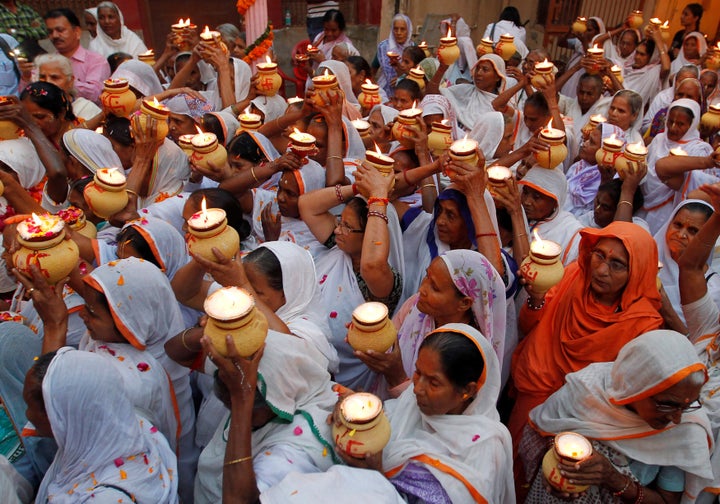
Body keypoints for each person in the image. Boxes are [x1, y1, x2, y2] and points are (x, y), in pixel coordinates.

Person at [263, 324, 515, 504]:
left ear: (467, 390)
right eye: (417, 373)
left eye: (434, 383)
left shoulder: (485, 446)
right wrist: (357, 413)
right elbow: (385, 417)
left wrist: (378, 475)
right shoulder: (412, 403)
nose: (417, 388)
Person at [509, 222, 664, 461]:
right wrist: (537, 299)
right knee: (514, 460)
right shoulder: (573, 276)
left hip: (582, 415)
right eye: (599, 256)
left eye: (617, 265)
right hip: (535, 389)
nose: (601, 270)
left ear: (637, 271)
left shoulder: (644, 323)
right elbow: (528, 326)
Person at [520, 330, 713, 503]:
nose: (677, 418)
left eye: (687, 406)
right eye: (667, 404)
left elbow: (668, 501)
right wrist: (559, 466)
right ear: (637, 386)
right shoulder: (587, 390)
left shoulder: (687, 430)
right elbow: (546, 431)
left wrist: (614, 480)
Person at [193, 326, 338, 503]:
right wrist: (214, 331)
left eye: (241, 406)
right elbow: (175, 351)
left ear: (278, 399)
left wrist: (241, 400)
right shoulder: (253, 400)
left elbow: (237, 501)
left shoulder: (292, 452)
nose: (234, 413)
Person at [25, 348, 179, 503]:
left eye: (29, 406)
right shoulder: (132, 427)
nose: (27, 416)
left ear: (61, 416)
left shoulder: (106, 499)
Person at [299, 165, 404, 390]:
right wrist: (358, 188)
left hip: (351, 385)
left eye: (347, 227)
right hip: (306, 362)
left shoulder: (381, 280)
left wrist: (378, 197)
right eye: (339, 223)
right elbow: (306, 205)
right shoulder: (339, 248)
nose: (338, 230)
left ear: (370, 235)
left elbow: (372, 264)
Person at [363, 249, 507, 398]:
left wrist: (397, 376)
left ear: (464, 303)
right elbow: (389, 340)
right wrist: (370, 335)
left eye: (435, 287)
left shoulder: (469, 352)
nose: (422, 289)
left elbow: (444, 409)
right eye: (427, 276)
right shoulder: (415, 306)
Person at [641, 98, 715, 234]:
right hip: (644, 203)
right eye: (670, 121)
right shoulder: (658, 139)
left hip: (670, 206)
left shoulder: (700, 150)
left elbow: (698, 185)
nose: (673, 127)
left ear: (692, 125)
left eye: (680, 124)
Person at [655, 199, 717, 326]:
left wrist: (668, 312)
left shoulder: (712, 288)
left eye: (693, 231)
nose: (681, 235)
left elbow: (698, 342)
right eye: (678, 225)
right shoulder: (646, 259)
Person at [43, 8, 110, 103]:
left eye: (60, 30)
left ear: (77, 32)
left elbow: (96, 94)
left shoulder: (96, 61)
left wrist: (64, 81)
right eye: (50, 32)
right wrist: (26, 77)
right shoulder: (46, 63)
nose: (55, 36)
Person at [440, 54, 508, 131]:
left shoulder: (503, 104)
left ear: (497, 77)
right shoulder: (465, 90)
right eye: (478, 68)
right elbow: (435, 93)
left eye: (485, 69)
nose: (478, 73)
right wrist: (441, 69)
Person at [34, 53, 101, 121]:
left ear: (70, 81)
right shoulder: (33, 108)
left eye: (54, 77)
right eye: (42, 77)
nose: (47, 82)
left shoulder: (85, 108)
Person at [373, 13, 413, 99]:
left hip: (406, 91)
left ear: (408, 30)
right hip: (383, 90)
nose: (399, 33)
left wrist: (401, 78)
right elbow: (373, 69)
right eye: (396, 29)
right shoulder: (383, 47)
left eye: (403, 29)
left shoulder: (413, 48)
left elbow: (418, 72)